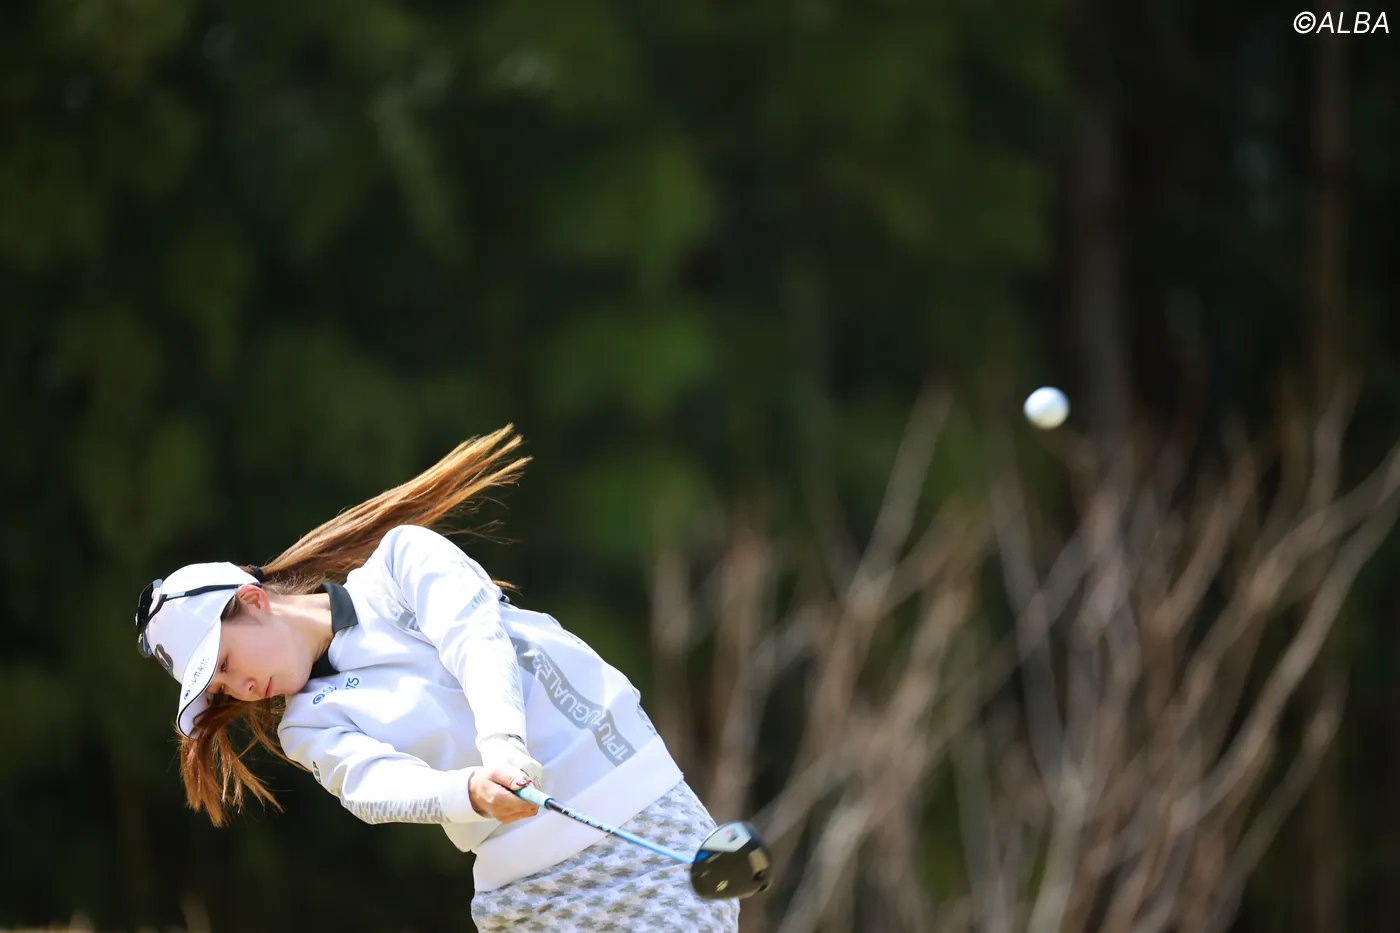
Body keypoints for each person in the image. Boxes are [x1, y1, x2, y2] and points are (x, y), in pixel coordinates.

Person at [133, 427, 741, 932]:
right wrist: (469, 791)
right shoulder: (306, 724)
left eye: (225, 664)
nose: (238, 690)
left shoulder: (401, 563)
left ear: (253, 601)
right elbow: (373, 786)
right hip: (527, 894)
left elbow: (475, 638)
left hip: (639, 814)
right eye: (219, 690)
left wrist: (504, 747)